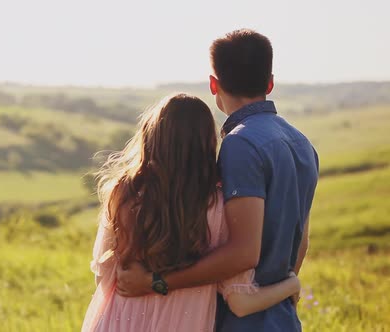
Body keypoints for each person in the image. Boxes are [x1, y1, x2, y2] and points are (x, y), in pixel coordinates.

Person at [114, 30, 319, 332]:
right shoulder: (302, 144)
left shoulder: (241, 144)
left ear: (214, 84)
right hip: (281, 318)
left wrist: (156, 282)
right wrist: (285, 289)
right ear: (270, 82)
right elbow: (300, 241)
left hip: (239, 322)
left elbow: (244, 252)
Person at [82, 93, 301, 332]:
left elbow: (102, 278)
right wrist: (291, 284)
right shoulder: (217, 207)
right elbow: (241, 303)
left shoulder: (124, 193)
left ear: (151, 137)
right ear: (207, 144)